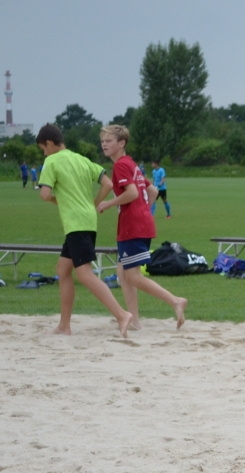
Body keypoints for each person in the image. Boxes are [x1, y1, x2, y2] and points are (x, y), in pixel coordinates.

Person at [34, 123, 133, 337]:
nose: (44, 153)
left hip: (76, 223)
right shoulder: (81, 159)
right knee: (63, 270)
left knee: (85, 274)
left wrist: (56, 200)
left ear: (49, 143)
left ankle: (121, 315)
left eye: (43, 148)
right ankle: (64, 325)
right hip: (87, 221)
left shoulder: (51, 161)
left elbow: (44, 194)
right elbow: (107, 184)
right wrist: (93, 204)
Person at [96, 125, 187, 330]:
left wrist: (108, 204)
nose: (104, 144)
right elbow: (152, 191)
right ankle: (134, 320)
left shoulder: (121, 165)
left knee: (132, 276)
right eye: (102, 141)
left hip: (133, 226)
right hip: (139, 224)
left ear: (122, 143)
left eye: (109, 141)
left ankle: (175, 301)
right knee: (122, 272)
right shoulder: (131, 164)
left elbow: (132, 193)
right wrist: (143, 212)